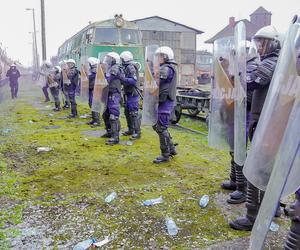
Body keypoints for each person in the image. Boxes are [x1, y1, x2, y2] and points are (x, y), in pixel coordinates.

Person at [229, 25, 282, 231]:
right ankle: (273, 207)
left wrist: (235, 76)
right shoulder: (274, 61)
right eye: (258, 43)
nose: (259, 47)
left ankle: (252, 216)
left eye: (264, 42)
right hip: (269, 120)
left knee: (254, 168)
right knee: (266, 169)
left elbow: (253, 81)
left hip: (266, 121)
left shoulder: (271, 62)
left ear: (274, 43)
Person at [152, 46, 177, 164]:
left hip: (165, 102)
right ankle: (171, 149)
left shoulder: (166, 68)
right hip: (162, 101)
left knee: (161, 128)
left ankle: (165, 155)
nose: (157, 58)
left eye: (160, 56)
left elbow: (158, 80)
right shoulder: (164, 68)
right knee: (159, 126)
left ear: (166, 57)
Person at [101, 52, 122, 145]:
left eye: (109, 59)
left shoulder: (115, 68)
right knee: (106, 114)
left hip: (114, 94)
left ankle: (115, 137)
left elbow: (108, 79)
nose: (107, 60)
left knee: (114, 115)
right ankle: (109, 132)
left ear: (114, 60)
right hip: (108, 93)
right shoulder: (109, 69)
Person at [120, 51, 141, 139]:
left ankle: (137, 132)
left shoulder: (131, 67)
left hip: (133, 93)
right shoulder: (126, 67)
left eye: (121, 59)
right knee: (127, 112)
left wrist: (122, 79)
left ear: (125, 59)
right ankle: (131, 129)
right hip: (128, 93)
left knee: (133, 113)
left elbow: (133, 80)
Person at [87, 57, 100, 127]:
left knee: (94, 104)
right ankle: (94, 119)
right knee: (91, 104)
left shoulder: (95, 70)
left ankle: (97, 120)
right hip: (91, 88)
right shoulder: (91, 70)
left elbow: (91, 77)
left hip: (94, 89)